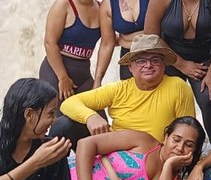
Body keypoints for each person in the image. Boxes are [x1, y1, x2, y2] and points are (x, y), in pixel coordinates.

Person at [51, 34, 195, 148]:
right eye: (140, 61)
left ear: (164, 65)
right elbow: (68, 103)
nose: (148, 65)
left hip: (154, 158)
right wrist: (91, 117)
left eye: (155, 60)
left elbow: (189, 130)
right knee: (63, 125)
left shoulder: (178, 86)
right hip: (114, 152)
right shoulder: (119, 88)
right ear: (130, 68)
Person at [145, 0, 211, 147]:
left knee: (210, 101)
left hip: (206, 59)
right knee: (164, 105)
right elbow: (151, 37)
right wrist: (181, 64)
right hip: (169, 57)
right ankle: (158, 150)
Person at [41, 116, 204, 180]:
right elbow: (86, 144)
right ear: (166, 137)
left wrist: (168, 166)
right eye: (176, 140)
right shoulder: (144, 141)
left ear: (194, 151)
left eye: (189, 145)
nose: (180, 148)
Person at [0, 78, 72, 180]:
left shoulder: (50, 151)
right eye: (51, 113)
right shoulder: (41, 156)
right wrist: (34, 163)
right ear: (30, 115)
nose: (54, 120)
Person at [94, 0, 169, 84]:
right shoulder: (107, 4)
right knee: (132, 102)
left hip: (156, 53)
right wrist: (98, 79)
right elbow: (107, 43)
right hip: (129, 57)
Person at [39, 0, 101, 112]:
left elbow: (110, 40)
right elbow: (49, 42)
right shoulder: (64, 4)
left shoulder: (102, 7)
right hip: (56, 70)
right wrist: (62, 77)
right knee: (58, 121)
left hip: (84, 73)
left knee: (99, 119)